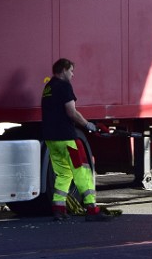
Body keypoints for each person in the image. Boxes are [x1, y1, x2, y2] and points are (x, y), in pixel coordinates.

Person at [41, 58, 111, 222]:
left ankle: (59, 208)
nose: (73, 74)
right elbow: (71, 112)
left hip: (51, 139)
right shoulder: (64, 86)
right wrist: (88, 125)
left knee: (63, 173)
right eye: (71, 71)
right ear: (64, 70)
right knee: (82, 171)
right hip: (66, 138)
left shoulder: (48, 87)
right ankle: (91, 208)